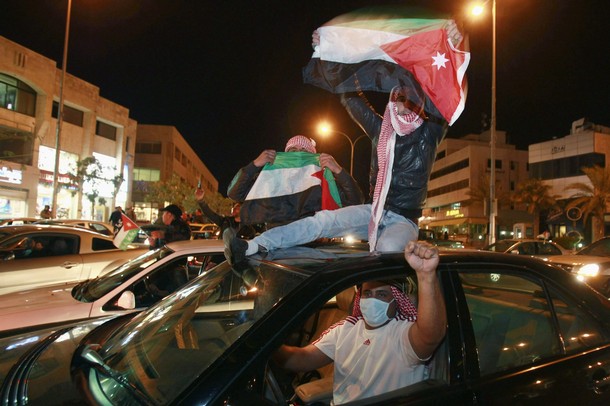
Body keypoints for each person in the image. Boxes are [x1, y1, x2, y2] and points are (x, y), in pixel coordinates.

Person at [225, 82, 447, 264]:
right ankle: (252, 246)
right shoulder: (381, 130)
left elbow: (447, 100)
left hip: (403, 219)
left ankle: (386, 297)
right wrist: (336, 57)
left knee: (387, 249)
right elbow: (351, 99)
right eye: (399, 98)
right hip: (373, 211)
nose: (403, 104)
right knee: (323, 220)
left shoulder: (430, 134)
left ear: (420, 105)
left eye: (411, 100)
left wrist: (452, 50)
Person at [272, 241, 446, 405]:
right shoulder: (345, 329)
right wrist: (270, 343)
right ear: (359, 297)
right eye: (367, 294)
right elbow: (301, 359)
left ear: (397, 301)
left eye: (382, 294)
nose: (372, 300)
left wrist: (426, 276)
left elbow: (431, 336)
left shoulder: (402, 334)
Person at [227, 135, 363, 229]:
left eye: (304, 151)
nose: (298, 155)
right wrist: (254, 165)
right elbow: (235, 193)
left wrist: (338, 171)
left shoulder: (321, 182)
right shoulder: (271, 180)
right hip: (276, 247)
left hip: (310, 246)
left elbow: (355, 201)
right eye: (293, 151)